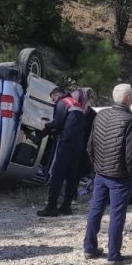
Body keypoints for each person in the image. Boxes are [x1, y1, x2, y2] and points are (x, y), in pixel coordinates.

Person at [83, 83, 132, 265]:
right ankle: (114, 255)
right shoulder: (129, 119)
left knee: (95, 209)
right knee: (117, 215)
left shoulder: (100, 115)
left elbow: (90, 146)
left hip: (101, 172)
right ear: (128, 98)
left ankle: (89, 247)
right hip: (119, 176)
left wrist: (96, 166)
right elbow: (131, 154)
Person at [37, 88, 90, 217]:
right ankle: (66, 206)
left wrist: (45, 126)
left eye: (53, 98)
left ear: (58, 94)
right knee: (72, 176)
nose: (54, 101)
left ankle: (51, 207)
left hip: (66, 143)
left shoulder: (64, 102)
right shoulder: (77, 105)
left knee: (58, 175)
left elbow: (58, 123)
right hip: (78, 145)